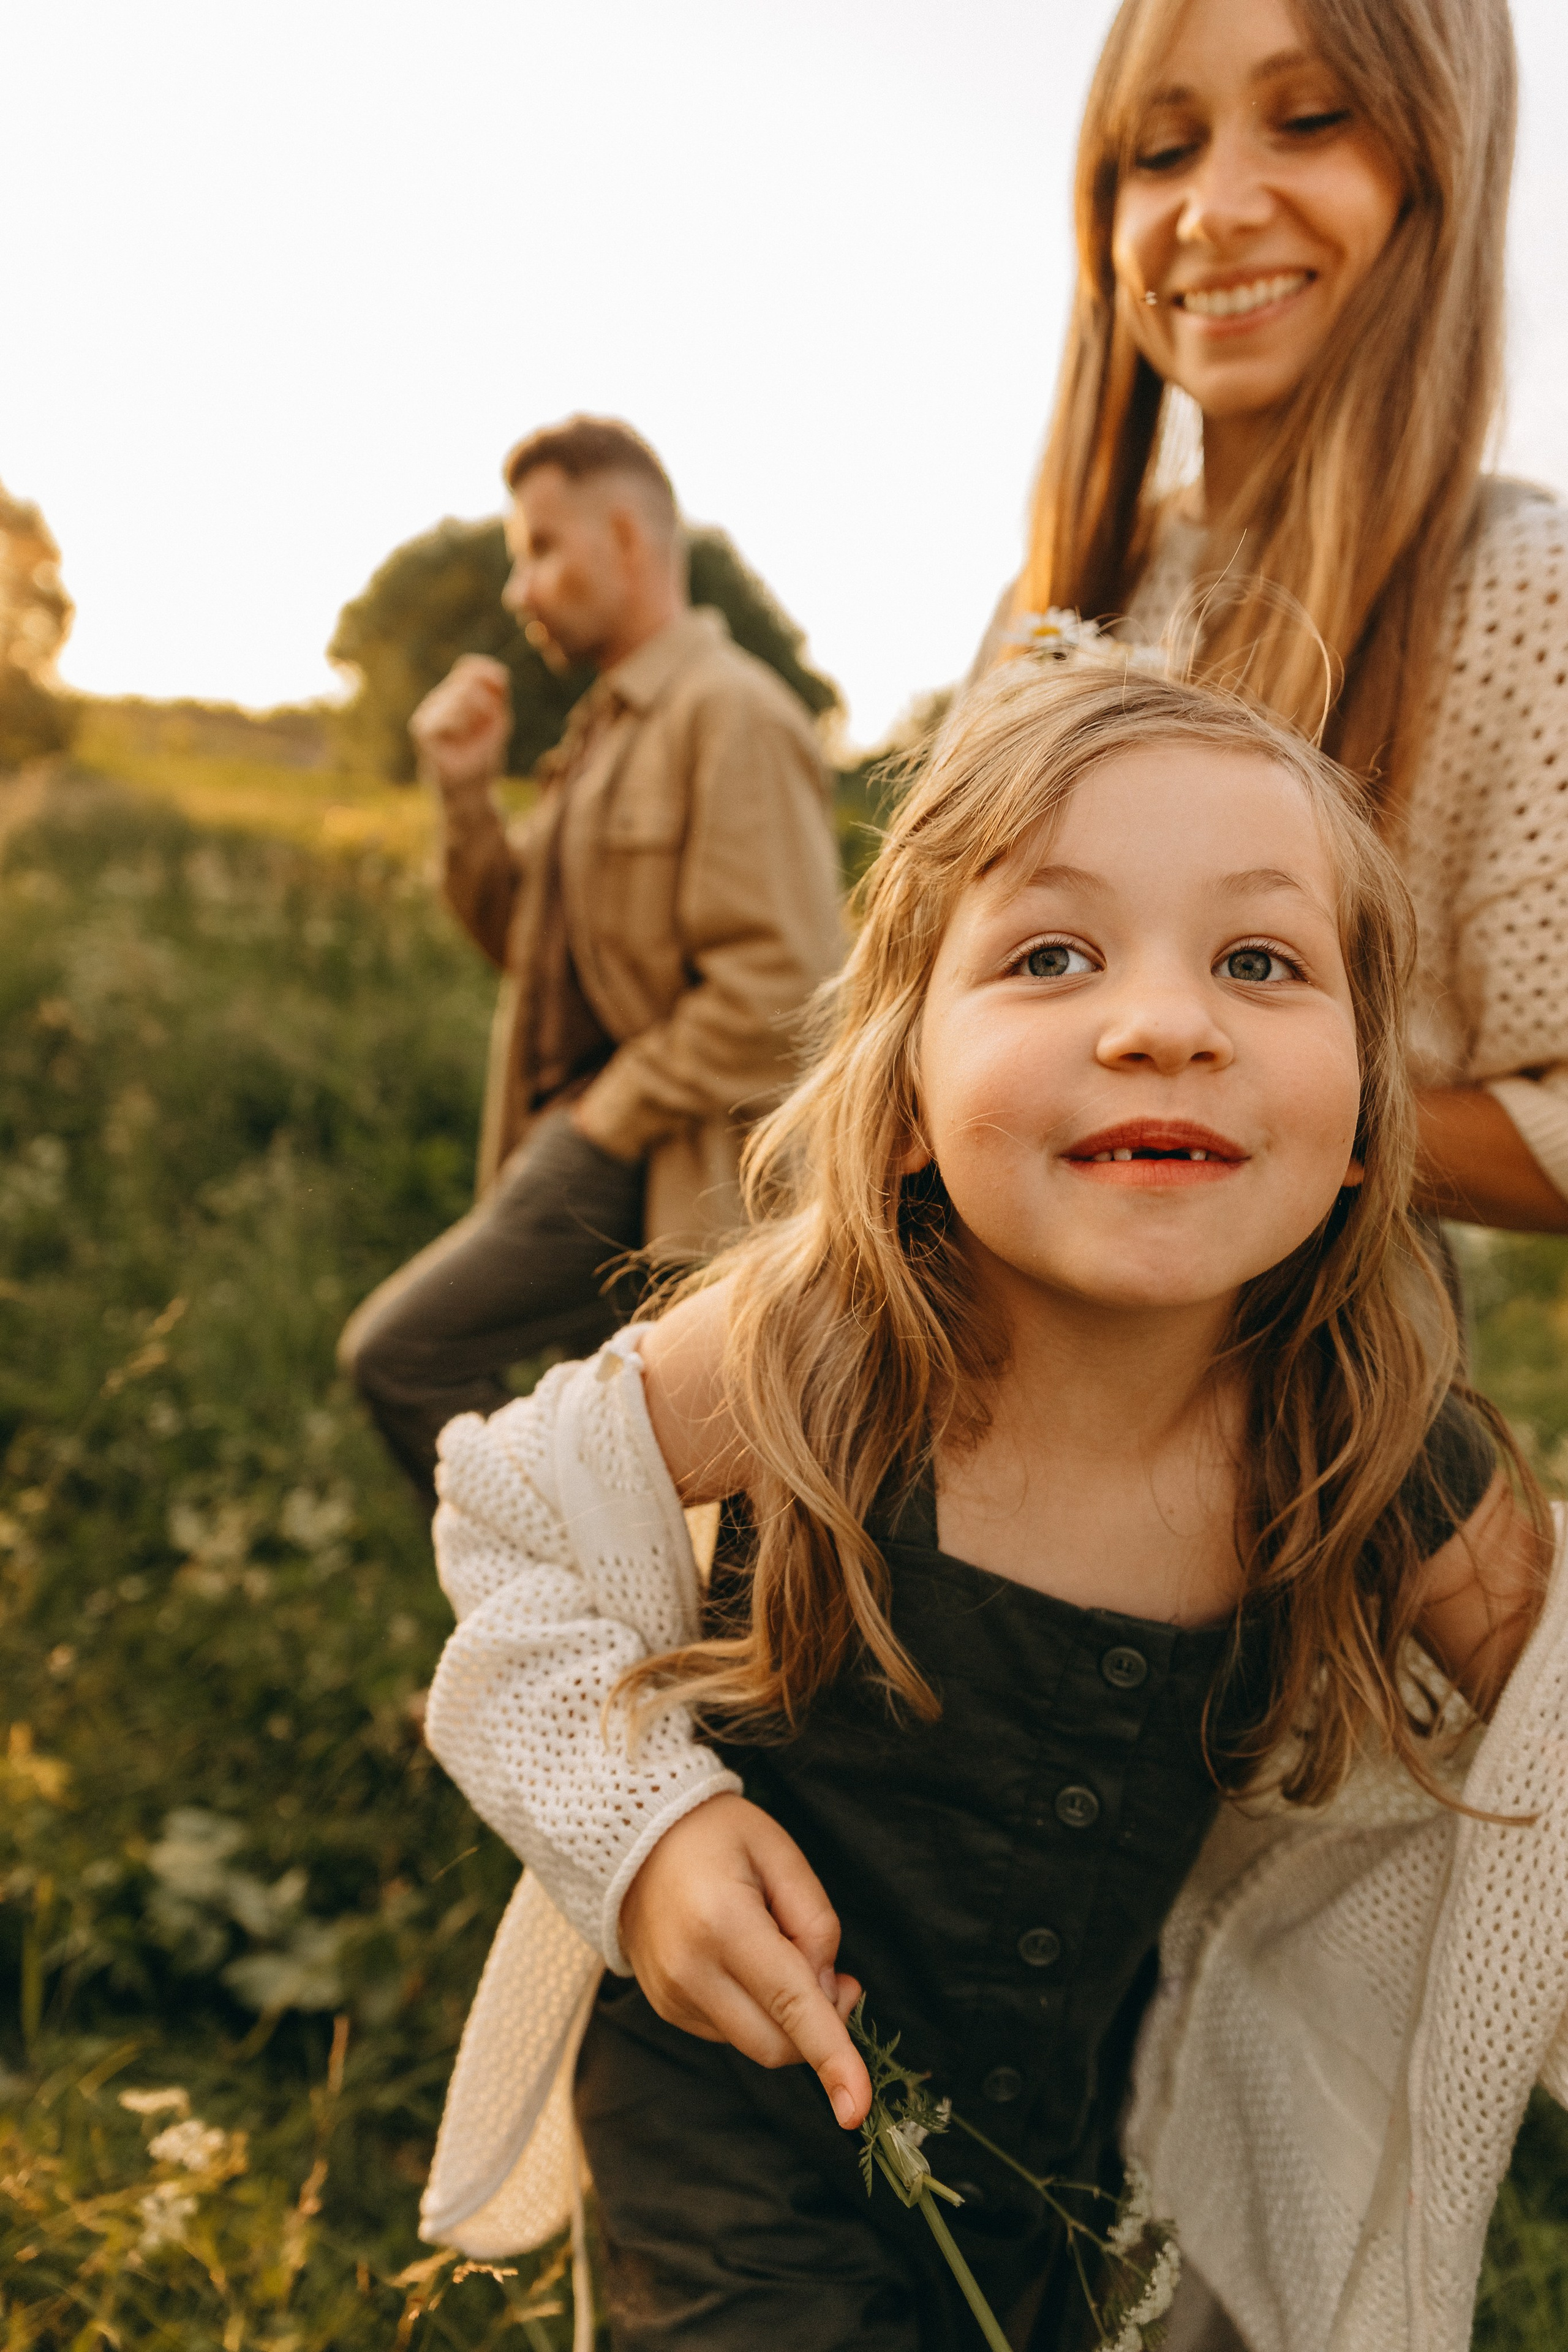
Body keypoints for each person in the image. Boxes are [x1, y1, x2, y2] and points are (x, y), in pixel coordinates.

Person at [412, 659, 1567, 2352]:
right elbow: (508, 1520)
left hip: (1054, 2173)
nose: (1164, 1024)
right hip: (727, 2145)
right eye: (1051, 957)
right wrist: (640, 1831)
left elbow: (1551, 1728)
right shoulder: (817, 1351)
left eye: (1258, 961)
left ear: (1362, 1122)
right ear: (903, 1096)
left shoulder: (1363, 1436)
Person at [974, 0, 1568, 1243]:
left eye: (1307, 121)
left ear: (1439, 162)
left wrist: (1242, 1102)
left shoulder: (1525, 591)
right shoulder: (1052, 595)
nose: (1215, 209)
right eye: (1162, 150)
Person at [337, 417, 843, 1510]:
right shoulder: (604, 732)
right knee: (648, 1487)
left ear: (624, 536)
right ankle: (597, 1595)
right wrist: (464, 793)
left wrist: (606, 1117)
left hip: (658, 1164)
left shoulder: (732, 714)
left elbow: (786, 988)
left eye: (540, 549)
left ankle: (556, 1584)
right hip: (589, 1148)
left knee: (402, 1356)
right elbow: (520, 944)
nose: (519, 587)